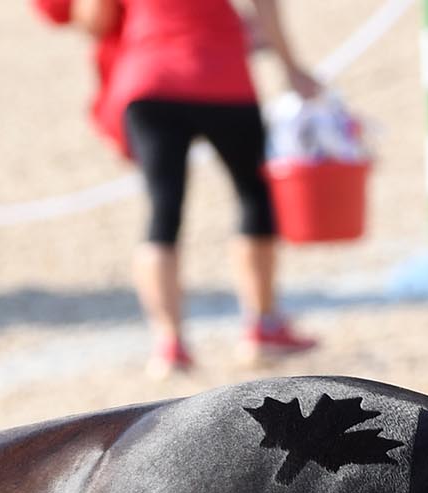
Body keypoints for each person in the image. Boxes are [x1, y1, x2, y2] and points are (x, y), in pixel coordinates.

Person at [37, 0, 323, 376]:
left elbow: (96, 19)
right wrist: (291, 68)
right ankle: (263, 327)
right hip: (220, 73)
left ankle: (170, 344)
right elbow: (265, 6)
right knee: (254, 197)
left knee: (163, 210)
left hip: (149, 79)